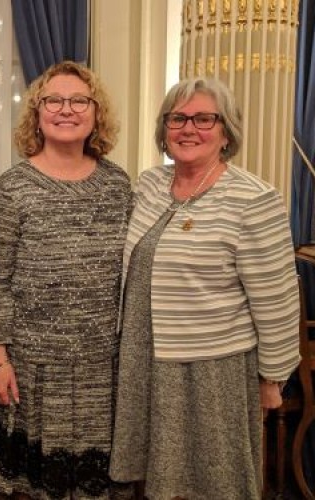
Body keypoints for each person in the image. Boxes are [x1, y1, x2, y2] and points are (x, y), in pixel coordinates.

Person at [109, 78, 301, 499]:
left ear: (226, 130)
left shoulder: (254, 199)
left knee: (217, 480)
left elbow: (278, 297)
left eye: (203, 118)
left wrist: (273, 377)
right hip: (145, 358)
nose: (188, 128)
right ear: (164, 129)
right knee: (156, 479)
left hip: (212, 368)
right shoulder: (149, 185)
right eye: (177, 118)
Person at [0, 61, 133, 499]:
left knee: (95, 487)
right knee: (35, 486)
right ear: (37, 112)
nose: (66, 110)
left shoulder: (118, 184)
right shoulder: (12, 186)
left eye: (79, 100)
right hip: (31, 369)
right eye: (54, 101)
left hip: (101, 367)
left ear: (96, 112)